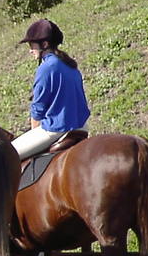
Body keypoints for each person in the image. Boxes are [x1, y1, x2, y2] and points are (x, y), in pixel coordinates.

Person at [11, 18, 90, 161]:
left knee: (7, 155)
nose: (30, 51)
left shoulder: (46, 68)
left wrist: (34, 133)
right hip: (82, 127)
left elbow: (38, 108)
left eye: (32, 46)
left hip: (58, 128)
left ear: (45, 44)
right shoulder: (71, 66)